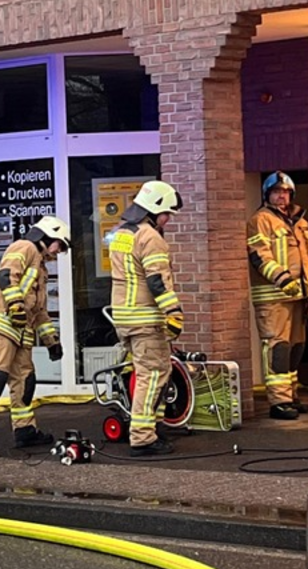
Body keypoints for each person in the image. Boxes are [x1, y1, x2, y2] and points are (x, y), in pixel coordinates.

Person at [0, 216, 70, 452]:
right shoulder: (23, 247)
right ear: (48, 236)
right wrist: (15, 306)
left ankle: (25, 430)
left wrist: (51, 341)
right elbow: (7, 276)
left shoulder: (41, 269)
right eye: (60, 245)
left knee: (25, 383)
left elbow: (40, 311)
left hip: (22, 333)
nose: (59, 251)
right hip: (3, 326)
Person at [109, 181, 183, 457]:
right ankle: (142, 437)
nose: (167, 219)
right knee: (151, 376)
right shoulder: (150, 237)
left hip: (125, 317)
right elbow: (156, 281)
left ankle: (154, 426)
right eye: (166, 214)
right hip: (145, 318)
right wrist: (173, 312)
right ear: (154, 209)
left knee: (156, 372)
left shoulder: (121, 233)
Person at [247, 171, 308, 420]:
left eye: (286, 192)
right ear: (267, 194)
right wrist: (283, 280)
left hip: (298, 295)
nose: (282, 196)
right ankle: (278, 402)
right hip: (273, 296)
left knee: (296, 348)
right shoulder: (260, 220)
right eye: (277, 192)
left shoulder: (300, 223)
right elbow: (259, 255)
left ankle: (291, 395)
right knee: (277, 348)